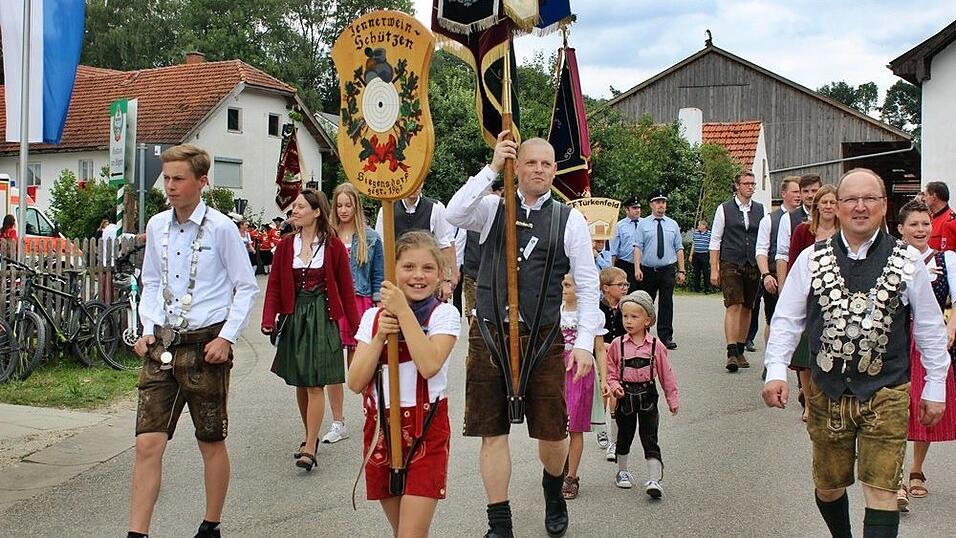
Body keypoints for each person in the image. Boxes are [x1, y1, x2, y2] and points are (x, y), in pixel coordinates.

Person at [762, 168, 949, 538]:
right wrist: (776, 371)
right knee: (828, 485)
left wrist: (935, 387)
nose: (859, 207)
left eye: (869, 199)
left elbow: (929, 327)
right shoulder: (812, 259)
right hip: (826, 392)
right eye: (851, 199)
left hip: (888, 391)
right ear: (837, 207)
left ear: (883, 206)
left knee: (881, 488)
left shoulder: (907, 261)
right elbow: (786, 320)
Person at [446, 132, 601, 538]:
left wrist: (585, 344)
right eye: (530, 163)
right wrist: (492, 167)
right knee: (490, 431)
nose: (539, 170)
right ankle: (500, 523)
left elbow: (588, 286)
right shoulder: (492, 208)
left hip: (545, 337)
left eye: (546, 164)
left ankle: (553, 488)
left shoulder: (570, 221)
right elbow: (453, 213)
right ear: (518, 167)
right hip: (491, 334)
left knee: (553, 433)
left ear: (554, 170)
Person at [128, 144, 259, 538]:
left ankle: (211, 524)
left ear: (202, 181)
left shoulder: (221, 228)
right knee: (147, 443)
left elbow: (246, 287)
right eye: (166, 178)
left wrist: (226, 338)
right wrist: (147, 325)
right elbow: (151, 281)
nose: (170, 186)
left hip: (205, 349)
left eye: (178, 178)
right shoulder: (156, 226)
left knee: (210, 440)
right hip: (163, 346)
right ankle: (137, 533)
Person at [347, 230, 460, 538]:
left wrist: (403, 313)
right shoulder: (373, 317)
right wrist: (381, 334)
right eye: (408, 267)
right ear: (393, 271)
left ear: (439, 276)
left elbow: (429, 364)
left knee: (410, 535)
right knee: (405, 533)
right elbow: (355, 382)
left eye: (427, 268)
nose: (418, 276)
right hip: (382, 430)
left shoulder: (445, 314)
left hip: (427, 428)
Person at [261, 188, 360, 471]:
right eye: (294, 207)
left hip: (323, 316)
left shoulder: (333, 246)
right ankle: (309, 436)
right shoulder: (284, 246)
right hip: (295, 317)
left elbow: (345, 289)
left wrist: (356, 329)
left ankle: (310, 444)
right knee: (301, 383)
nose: (295, 210)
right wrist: (269, 318)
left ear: (317, 211)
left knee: (316, 383)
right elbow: (275, 285)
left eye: (301, 207)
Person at [893, 200, 956, 510]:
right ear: (900, 229)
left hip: (931, 341)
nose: (920, 229)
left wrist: (950, 329)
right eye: (913, 225)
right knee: (897, 406)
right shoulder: (892, 260)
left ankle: (917, 468)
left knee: (925, 404)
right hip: (899, 339)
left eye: (925, 224)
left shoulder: (947, 259)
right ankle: (898, 475)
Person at [323, 182, 385, 445]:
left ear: (356, 206)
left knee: (361, 365)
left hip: (360, 304)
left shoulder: (370, 237)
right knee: (332, 367)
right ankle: (338, 422)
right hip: (332, 304)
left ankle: (373, 414)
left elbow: (378, 277)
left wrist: (377, 310)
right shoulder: (327, 236)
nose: (344, 209)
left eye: (348, 204)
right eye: (339, 205)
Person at [606, 290, 679, 498]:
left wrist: (672, 398)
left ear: (647, 320)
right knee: (624, 435)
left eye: (634, 317)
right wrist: (614, 386)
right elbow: (611, 371)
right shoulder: (616, 345)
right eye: (625, 316)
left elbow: (667, 375)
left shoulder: (656, 346)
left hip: (648, 395)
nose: (628, 321)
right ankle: (622, 471)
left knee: (650, 436)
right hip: (625, 396)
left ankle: (654, 479)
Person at [786, 185, 839, 422]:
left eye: (832, 202)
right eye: (824, 202)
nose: (828, 206)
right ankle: (808, 403)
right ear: (816, 205)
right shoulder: (803, 231)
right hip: (809, 299)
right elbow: (792, 266)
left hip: (839, 300)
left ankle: (832, 402)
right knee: (807, 356)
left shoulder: (846, 232)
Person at [558, 274, 609, 500]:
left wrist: (604, 378)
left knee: (575, 427)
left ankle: (572, 475)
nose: (563, 289)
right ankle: (556, 467)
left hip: (581, 373)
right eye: (562, 285)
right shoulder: (553, 311)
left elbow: (600, 349)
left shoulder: (591, 315)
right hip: (556, 372)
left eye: (568, 285)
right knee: (554, 426)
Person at [709, 172, 765, 372]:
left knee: (748, 306)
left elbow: (764, 238)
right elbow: (715, 240)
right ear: (737, 186)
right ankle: (731, 351)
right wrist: (714, 268)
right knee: (733, 304)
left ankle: (741, 348)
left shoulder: (761, 209)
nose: (750, 187)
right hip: (731, 261)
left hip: (752, 262)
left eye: (752, 183)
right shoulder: (724, 209)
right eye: (746, 184)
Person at [376, 187, 458, 301]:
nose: (414, 187)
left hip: (428, 279)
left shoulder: (435, 208)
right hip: (399, 279)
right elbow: (382, 249)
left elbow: (444, 245)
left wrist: (446, 280)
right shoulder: (387, 209)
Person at [633, 190, 685, 350]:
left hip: (667, 269)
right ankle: (643, 334)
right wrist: (637, 268)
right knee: (646, 303)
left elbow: (679, 248)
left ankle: (666, 336)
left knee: (666, 303)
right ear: (651, 205)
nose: (661, 205)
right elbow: (638, 247)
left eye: (663, 202)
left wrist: (681, 270)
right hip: (648, 269)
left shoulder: (672, 224)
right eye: (657, 202)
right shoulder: (643, 224)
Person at [754, 176, 802, 349]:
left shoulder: (809, 218)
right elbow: (761, 250)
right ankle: (770, 360)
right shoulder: (769, 220)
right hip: (775, 276)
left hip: (799, 277)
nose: (799, 195)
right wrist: (766, 275)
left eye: (800, 191)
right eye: (795, 191)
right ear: (783, 193)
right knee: (774, 320)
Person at [599, 266, 629, 460]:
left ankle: (614, 441)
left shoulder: (628, 308)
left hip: (620, 357)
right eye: (620, 284)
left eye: (626, 284)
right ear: (606, 288)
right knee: (603, 394)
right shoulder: (597, 308)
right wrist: (604, 346)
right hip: (601, 357)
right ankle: (601, 427)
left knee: (616, 398)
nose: (625, 287)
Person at [774, 174, 822, 288]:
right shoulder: (788, 218)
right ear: (800, 193)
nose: (810, 195)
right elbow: (782, 255)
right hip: (798, 279)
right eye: (805, 191)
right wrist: (782, 288)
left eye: (814, 190)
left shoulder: (831, 216)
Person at [610, 196, 642, 291]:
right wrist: (612, 270)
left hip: (643, 265)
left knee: (643, 295)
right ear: (626, 210)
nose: (638, 210)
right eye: (634, 208)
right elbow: (613, 250)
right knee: (628, 293)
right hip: (626, 264)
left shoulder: (645, 223)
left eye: (639, 208)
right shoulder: (619, 226)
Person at [921, 181, 956, 252]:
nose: (923, 199)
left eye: (926, 195)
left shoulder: (951, 222)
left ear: (934, 196)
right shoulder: (930, 219)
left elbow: (948, 256)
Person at [689, 219, 712, 293]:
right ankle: (696, 288)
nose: (698, 226)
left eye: (699, 225)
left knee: (706, 272)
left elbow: (711, 246)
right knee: (696, 272)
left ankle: (707, 288)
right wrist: (691, 255)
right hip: (696, 255)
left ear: (704, 226)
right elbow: (693, 244)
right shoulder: (696, 233)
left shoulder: (709, 234)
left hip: (705, 254)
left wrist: (711, 257)